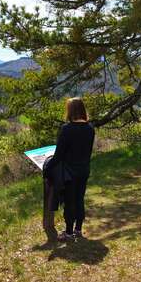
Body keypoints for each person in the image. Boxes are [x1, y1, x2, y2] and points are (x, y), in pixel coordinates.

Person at [44, 97, 95, 241]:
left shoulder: (67, 129)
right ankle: (78, 229)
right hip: (84, 169)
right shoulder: (90, 129)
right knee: (80, 199)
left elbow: (58, 155)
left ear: (71, 111)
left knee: (69, 201)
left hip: (69, 172)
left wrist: (47, 168)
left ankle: (68, 232)